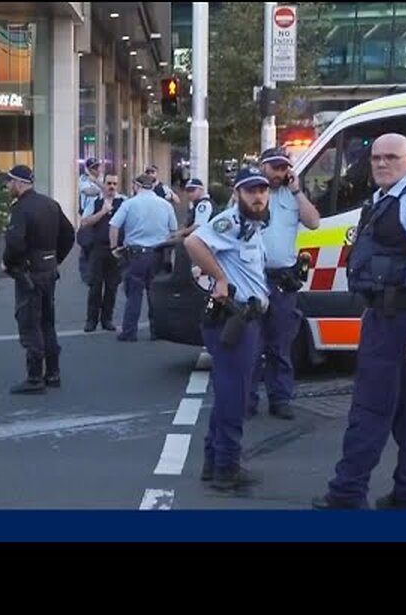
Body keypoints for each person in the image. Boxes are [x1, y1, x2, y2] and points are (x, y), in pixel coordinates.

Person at [314, 133, 406, 510]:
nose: (381, 163)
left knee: (370, 409)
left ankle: (347, 493)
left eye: (391, 157)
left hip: (398, 323)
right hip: (388, 316)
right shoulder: (384, 200)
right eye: (375, 157)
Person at [182, 167, 272, 492]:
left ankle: (214, 461)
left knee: (228, 394)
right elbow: (193, 242)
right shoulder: (231, 221)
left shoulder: (253, 224)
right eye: (251, 191)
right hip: (234, 318)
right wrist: (220, 278)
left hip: (246, 317)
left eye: (262, 190)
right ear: (237, 194)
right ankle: (226, 469)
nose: (259, 196)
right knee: (235, 396)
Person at [251, 147, 322, 420]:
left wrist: (297, 191)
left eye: (283, 168)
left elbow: (313, 222)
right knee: (252, 345)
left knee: (280, 345)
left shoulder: (292, 197)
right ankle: (248, 400)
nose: (279, 172)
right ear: (262, 167)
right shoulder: (251, 194)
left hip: (282, 281)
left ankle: (280, 399)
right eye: (274, 167)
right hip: (254, 280)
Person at [1, 165, 75, 393]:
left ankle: (34, 378)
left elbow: (15, 243)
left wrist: (10, 263)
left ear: (19, 183)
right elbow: (69, 234)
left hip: (30, 272)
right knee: (47, 322)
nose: (8, 186)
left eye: (10, 182)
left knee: (29, 322)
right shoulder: (50, 204)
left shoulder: (21, 208)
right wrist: (55, 259)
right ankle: (53, 373)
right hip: (49, 269)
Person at [108, 173, 178, 342]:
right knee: (155, 293)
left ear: (137, 186)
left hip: (136, 254)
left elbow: (114, 226)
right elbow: (174, 231)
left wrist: (114, 247)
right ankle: (157, 331)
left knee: (134, 293)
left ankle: (129, 332)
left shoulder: (129, 204)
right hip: (158, 253)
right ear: (153, 186)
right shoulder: (165, 205)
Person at [78, 173, 125, 331]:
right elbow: (84, 222)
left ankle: (107, 320)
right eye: (109, 183)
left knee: (112, 287)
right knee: (95, 286)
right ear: (103, 184)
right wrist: (103, 212)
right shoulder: (95, 202)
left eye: (114, 184)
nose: (111, 186)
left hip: (116, 250)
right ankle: (91, 321)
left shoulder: (123, 202)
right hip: (97, 249)